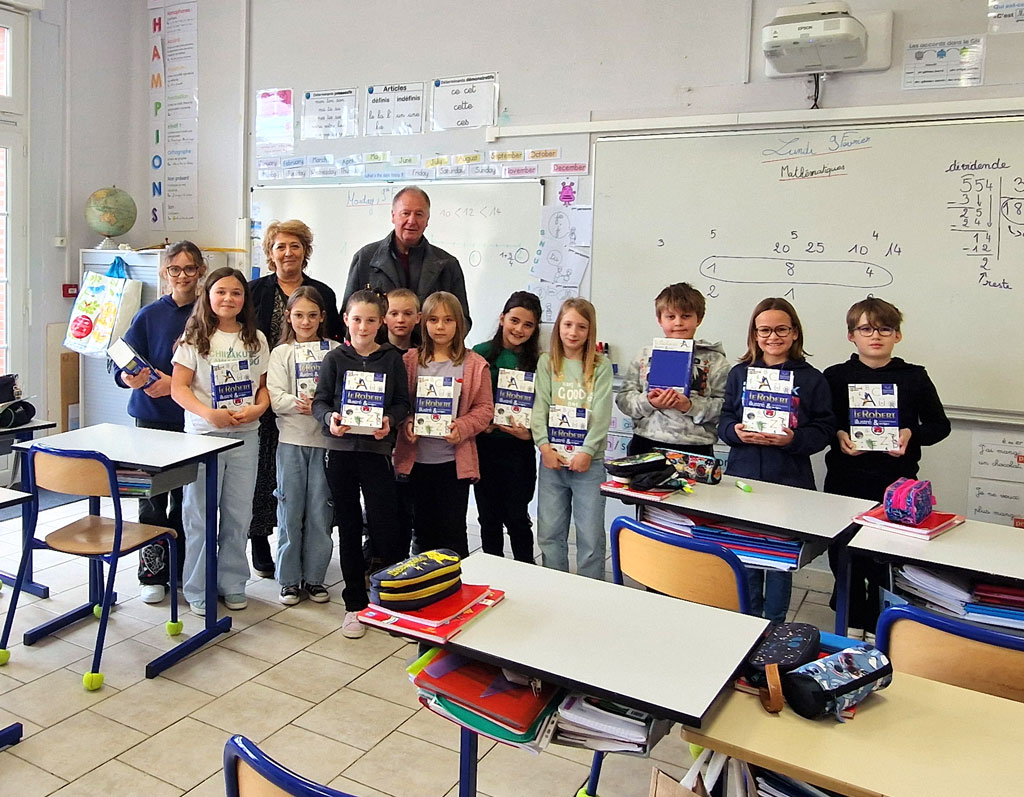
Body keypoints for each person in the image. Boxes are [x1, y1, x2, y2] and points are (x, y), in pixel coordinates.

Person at [823, 297, 950, 632]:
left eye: (885, 329)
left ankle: (881, 627)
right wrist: (838, 434)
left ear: (898, 335)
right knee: (844, 557)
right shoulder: (835, 376)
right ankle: (851, 624)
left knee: (886, 562)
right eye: (866, 329)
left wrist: (911, 433)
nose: (875, 336)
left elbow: (940, 425)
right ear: (852, 335)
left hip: (896, 486)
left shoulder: (915, 377)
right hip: (844, 483)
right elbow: (823, 423)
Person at [718, 298, 835, 625]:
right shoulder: (739, 373)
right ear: (754, 335)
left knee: (779, 562)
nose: (773, 336)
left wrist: (793, 439)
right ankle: (748, 622)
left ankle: (775, 626)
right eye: (764, 330)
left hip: (789, 481)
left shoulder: (812, 379)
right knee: (743, 555)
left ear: (795, 332)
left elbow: (825, 429)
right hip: (743, 479)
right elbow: (724, 419)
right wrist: (735, 432)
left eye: (781, 329)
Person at [171, 267, 271, 616]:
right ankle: (198, 587)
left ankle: (232, 582)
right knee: (199, 515)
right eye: (221, 292)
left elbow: (263, 387)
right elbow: (178, 388)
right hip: (203, 435)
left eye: (236, 293)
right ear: (208, 295)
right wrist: (207, 412)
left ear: (244, 299)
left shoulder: (255, 338)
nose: (229, 299)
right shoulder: (193, 337)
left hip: (245, 436)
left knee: (237, 513)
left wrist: (259, 409)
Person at [312, 289, 411, 638]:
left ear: (381, 322)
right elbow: (320, 402)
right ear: (346, 320)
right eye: (357, 319)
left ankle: (389, 600)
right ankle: (354, 603)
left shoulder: (391, 359)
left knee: (385, 526)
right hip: (340, 453)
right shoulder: (335, 358)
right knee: (349, 527)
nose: (363, 326)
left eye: (371, 320)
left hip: (377, 453)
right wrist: (330, 419)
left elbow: (402, 403)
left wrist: (391, 421)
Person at [248, 220, 342, 580]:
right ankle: (260, 539)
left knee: (313, 487)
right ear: (270, 253)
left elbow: (334, 345)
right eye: (280, 246)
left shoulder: (322, 293)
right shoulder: (255, 290)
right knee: (265, 474)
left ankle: (310, 556)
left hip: (311, 408)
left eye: (295, 246)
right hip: (266, 389)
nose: (288, 253)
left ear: (306, 251)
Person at [113, 241, 206, 604]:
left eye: (189, 269)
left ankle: (182, 570)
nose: (182, 276)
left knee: (187, 500)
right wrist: (128, 378)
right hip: (150, 419)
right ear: (165, 274)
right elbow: (119, 362)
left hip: (191, 420)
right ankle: (151, 571)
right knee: (150, 498)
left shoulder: (209, 313)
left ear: (200, 271)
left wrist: (176, 385)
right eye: (175, 270)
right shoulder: (149, 314)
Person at [393, 291, 492, 560]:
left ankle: (455, 589)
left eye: (448, 320)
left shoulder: (474, 365)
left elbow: (485, 409)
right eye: (434, 319)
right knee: (422, 531)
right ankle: (424, 587)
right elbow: (399, 404)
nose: (440, 326)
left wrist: (462, 425)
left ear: (459, 323)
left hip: (453, 464)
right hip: (417, 461)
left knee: (452, 532)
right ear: (423, 322)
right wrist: (408, 422)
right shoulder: (409, 362)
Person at [267, 286, 340, 606]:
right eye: (299, 315)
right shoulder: (281, 353)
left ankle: (315, 578)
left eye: (313, 315)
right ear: (288, 317)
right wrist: (299, 403)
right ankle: (288, 580)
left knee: (320, 512)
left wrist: (327, 406)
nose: (306, 321)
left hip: (326, 442)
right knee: (290, 510)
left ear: (323, 317)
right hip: (292, 441)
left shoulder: (335, 351)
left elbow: (345, 395)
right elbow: (275, 396)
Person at [531, 298, 613, 580]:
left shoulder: (600, 366)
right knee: (550, 530)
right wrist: (543, 446)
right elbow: (539, 406)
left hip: (588, 463)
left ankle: (591, 587)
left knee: (590, 533)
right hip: (552, 461)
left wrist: (588, 450)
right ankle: (556, 584)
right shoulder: (547, 363)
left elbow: (602, 413)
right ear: (558, 327)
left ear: (590, 331)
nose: (573, 332)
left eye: (581, 326)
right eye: (567, 324)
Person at [616, 282, 729, 458]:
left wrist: (690, 405)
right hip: (646, 441)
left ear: (698, 319)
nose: (678, 323)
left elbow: (725, 407)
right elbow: (623, 399)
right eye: (670, 316)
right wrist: (650, 402)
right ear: (660, 319)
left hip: (695, 447)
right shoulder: (644, 356)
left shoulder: (715, 361)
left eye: (686, 316)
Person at [343, 186, 471, 341]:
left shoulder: (447, 265)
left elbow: (462, 320)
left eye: (419, 214)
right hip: (376, 357)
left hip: (429, 358)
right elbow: (349, 315)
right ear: (393, 216)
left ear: (427, 220)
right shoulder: (365, 258)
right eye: (405, 213)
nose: (412, 221)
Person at [472, 291, 543, 562]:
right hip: (485, 448)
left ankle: (527, 570)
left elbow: (545, 408)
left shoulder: (539, 363)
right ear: (502, 318)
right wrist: (480, 424)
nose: (519, 329)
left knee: (517, 517)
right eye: (514, 320)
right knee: (488, 518)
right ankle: (494, 573)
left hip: (519, 450)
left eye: (528, 325)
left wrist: (531, 433)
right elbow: (467, 401)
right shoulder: (479, 354)